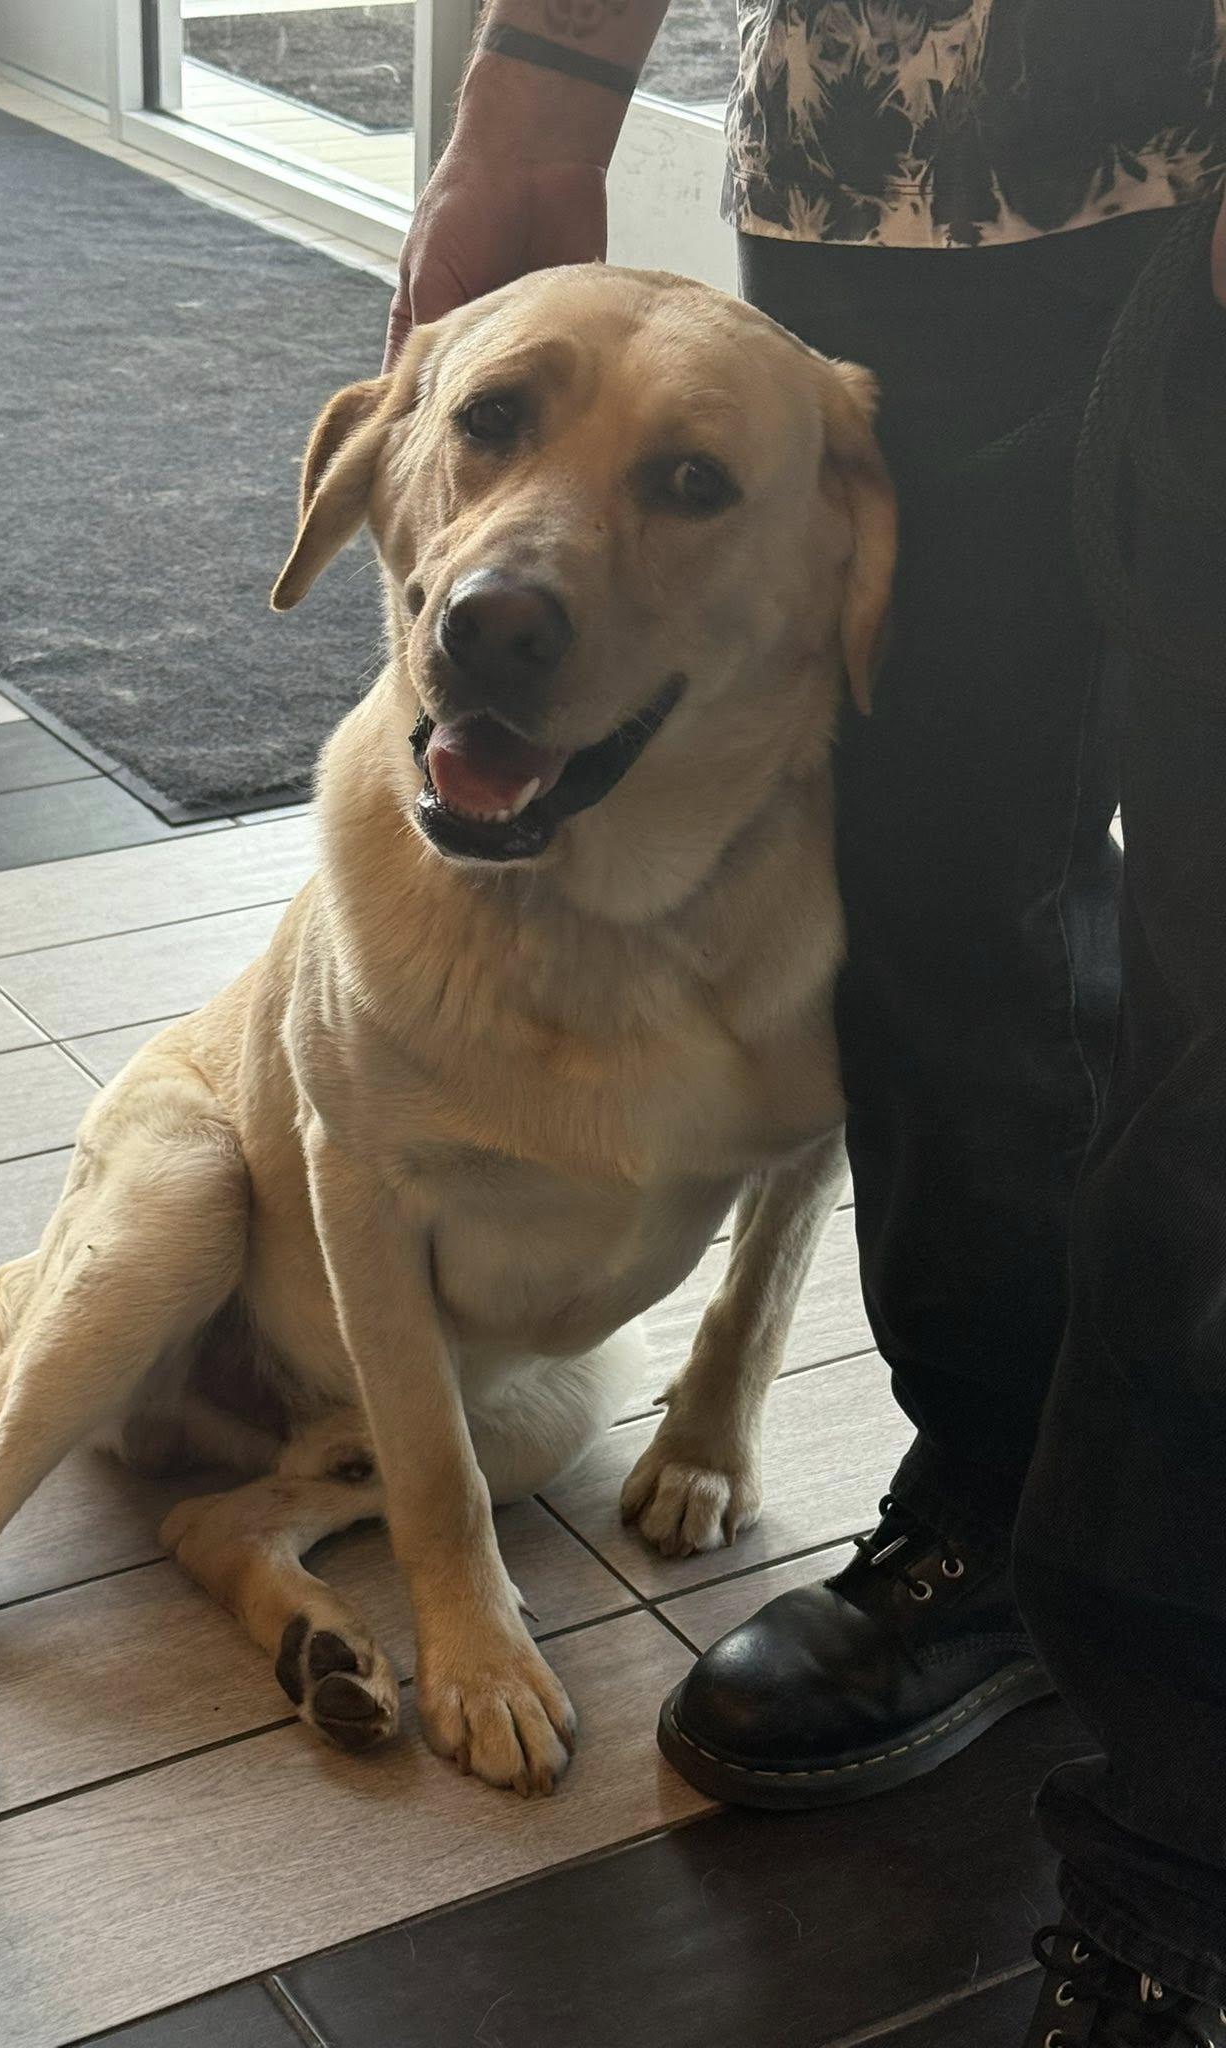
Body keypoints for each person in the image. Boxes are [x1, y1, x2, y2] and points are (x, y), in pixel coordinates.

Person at [384, 5, 1226, 2042]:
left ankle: (1180, 1842)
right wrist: (547, 75)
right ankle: (1002, 1495)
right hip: (891, 164)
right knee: (935, 887)